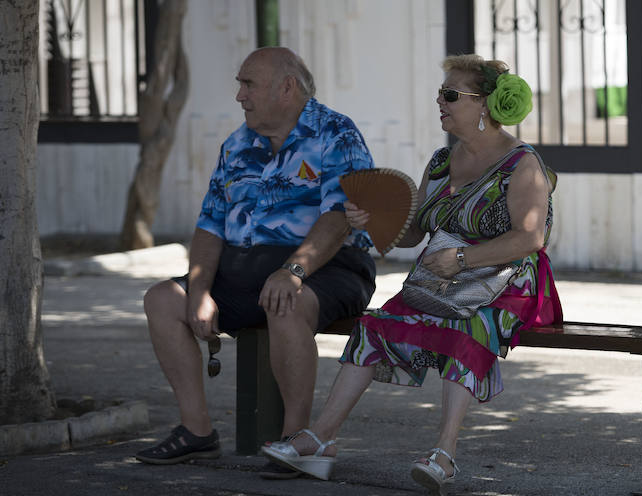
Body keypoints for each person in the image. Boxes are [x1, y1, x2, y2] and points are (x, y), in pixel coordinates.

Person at [261, 54, 562, 493]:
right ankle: (320, 436)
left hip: (508, 281)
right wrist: (372, 220)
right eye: (441, 92)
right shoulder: (441, 162)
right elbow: (413, 232)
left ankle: (444, 454)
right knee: (374, 326)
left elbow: (529, 240)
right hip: (444, 277)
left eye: (450, 95)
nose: (439, 101)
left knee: (472, 328)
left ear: (485, 106)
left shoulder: (522, 164)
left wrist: (462, 260)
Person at [135, 47, 377, 481]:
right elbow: (210, 225)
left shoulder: (335, 133)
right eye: (240, 84)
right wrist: (200, 290)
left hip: (330, 266)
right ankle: (197, 431)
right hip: (245, 269)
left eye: (249, 84)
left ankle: (296, 442)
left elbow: (339, 217)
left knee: (284, 300)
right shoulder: (237, 144)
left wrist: (294, 270)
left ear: (287, 88)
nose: (239, 96)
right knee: (162, 300)